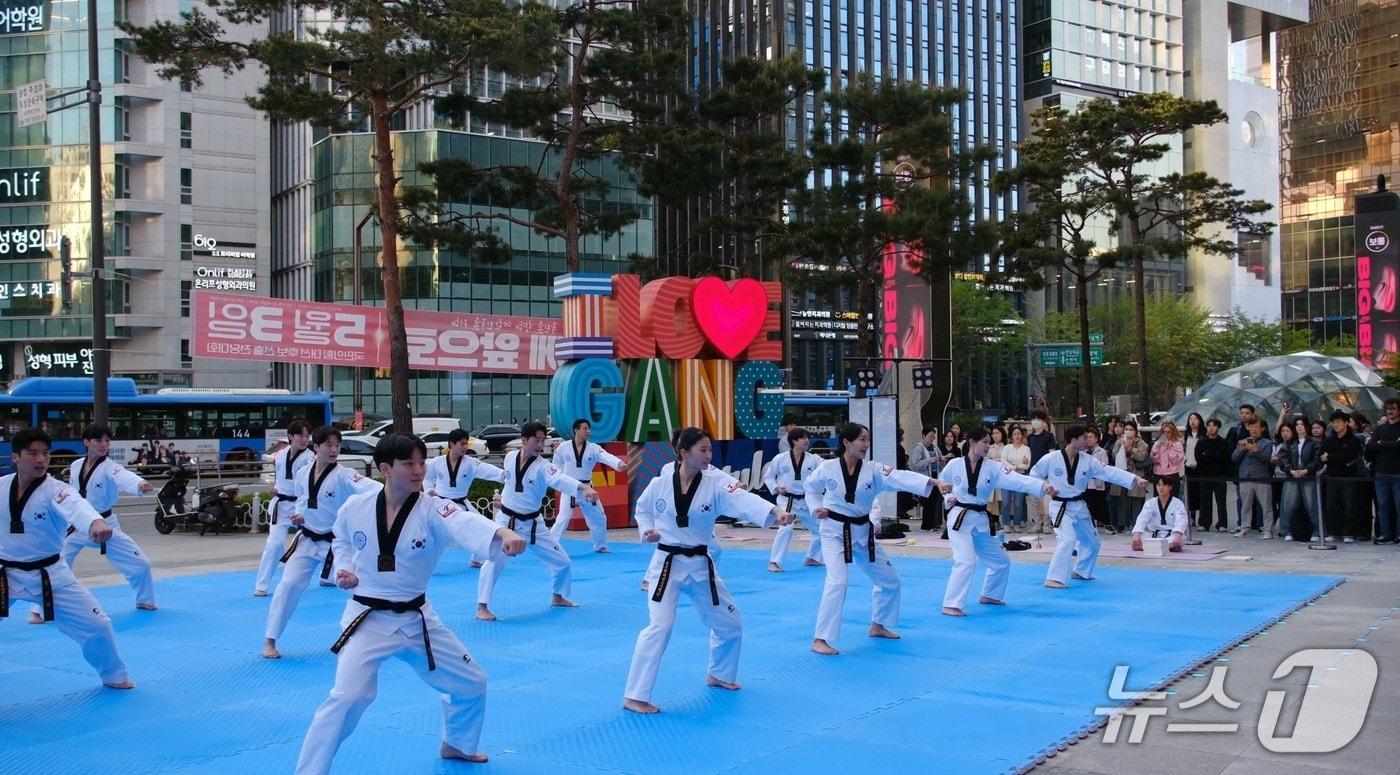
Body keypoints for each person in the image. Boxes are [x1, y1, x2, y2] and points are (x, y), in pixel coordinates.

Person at [294, 434, 527, 774]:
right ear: (386, 469)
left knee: (472, 682)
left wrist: (502, 535)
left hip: (417, 618)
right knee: (347, 698)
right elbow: (341, 539)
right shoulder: (355, 507)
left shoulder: (433, 507)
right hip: (367, 618)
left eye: (421, 463)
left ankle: (457, 744)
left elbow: (464, 522)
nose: (419, 471)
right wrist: (344, 567)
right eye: (409, 464)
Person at [621, 427, 795, 714]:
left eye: (710, 450)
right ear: (683, 453)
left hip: (701, 565)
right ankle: (635, 695)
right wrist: (647, 530)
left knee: (730, 623)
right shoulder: (659, 483)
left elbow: (743, 499)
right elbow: (642, 509)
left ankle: (720, 674)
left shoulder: (715, 482)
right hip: (666, 565)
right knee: (659, 626)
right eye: (702, 450)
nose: (708, 455)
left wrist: (775, 512)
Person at [0, 428, 132, 688]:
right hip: (5, 573)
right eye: (33, 453)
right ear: (16, 457)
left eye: (46, 453)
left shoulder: (57, 490)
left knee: (98, 625)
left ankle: (114, 676)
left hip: (50, 574)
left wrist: (94, 522)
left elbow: (78, 506)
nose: (41, 460)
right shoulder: (1, 487)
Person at [805, 422, 947, 655]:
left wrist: (933, 482)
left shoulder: (873, 470)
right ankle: (821, 638)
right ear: (846, 442)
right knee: (838, 581)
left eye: (867, 439)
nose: (866, 444)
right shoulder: (827, 468)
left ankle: (878, 625)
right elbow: (810, 489)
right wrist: (815, 508)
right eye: (861, 439)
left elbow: (900, 477)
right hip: (834, 532)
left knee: (890, 580)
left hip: (862, 533)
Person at [264, 426, 382, 660]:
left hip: (336, 544)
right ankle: (270, 640)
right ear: (315, 447)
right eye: (328, 445)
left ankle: (373, 639)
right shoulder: (303, 472)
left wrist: (397, 492)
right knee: (287, 586)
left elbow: (373, 488)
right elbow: (302, 500)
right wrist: (299, 516)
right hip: (306, 539)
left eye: (337, 446)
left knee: (361, 587)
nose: (334, 450)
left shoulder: (345, 475)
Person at [27, 424, 157, 623]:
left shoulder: (110, 467)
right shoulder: (76, 465)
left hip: (106, 524)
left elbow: (124, 476)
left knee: (141, 563)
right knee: (56, 563)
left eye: (107, 440)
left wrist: (139, 484)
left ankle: (145, 600)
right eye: (99, 440)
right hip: (78, 524)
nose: (104, 445)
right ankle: (40, 610)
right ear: (86, 442)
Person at [476, 422, 597, 621]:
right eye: (537, 440)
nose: (541, 445)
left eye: (543, 441)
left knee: (563, 562)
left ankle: (558, 596)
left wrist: (583, 489)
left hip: (534, 524)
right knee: (493, 561)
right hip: (507, 523)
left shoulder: (544, 467)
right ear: (524, 440)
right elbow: (509, 482)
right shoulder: (509, 457)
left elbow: (560, 480)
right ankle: (482, 606)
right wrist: (503, 499)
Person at [938, 427, 1054, 617]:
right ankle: (951, 604)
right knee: (966, 561)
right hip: (959, 518)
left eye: (989, 442)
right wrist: (948, 496)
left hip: (981, 519)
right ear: (972, 443)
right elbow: (943, 482)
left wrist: (1042, 486)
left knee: (1000, 562)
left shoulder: (994, 467)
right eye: (985, 442)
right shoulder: (954, 465)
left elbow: (1017, 480)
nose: (988, 446)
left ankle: (990, 595)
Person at [1032, 425, 1147, 589]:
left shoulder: (1088, 460)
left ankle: (1081, 570)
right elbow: (1034, 475)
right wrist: (1045, 486)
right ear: (1074, 439)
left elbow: (1110, 472)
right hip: (1060, 506)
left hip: (1079, 505)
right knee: (1068, 539)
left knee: (1092, 542)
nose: (1087, 441)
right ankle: (1054, 578)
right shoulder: (1051, 458)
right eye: (1084, 438)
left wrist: (1135, 478)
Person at [425, 428, 507, 568]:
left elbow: (488, 470)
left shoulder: (470, 463)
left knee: (482, 527)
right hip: (440, 504)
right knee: (433, 535)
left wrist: (506, 475)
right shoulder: (436, 462)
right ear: (452, 444)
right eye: (462, 444)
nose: (465, 447)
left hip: (462, 503)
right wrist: (429, 490)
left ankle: (478, 559)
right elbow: (427, 478)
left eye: (466, 444)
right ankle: (423, 563)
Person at [254, 421, 314, 597]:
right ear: (291, 437)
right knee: (273, 544)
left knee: (317, 542)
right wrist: (275, 488)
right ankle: (262, 585)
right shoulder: (280, 455)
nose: (304, 439)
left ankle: (329, 575)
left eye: (306, 436)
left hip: (300, 506)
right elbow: (280, 480)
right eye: (301, 436)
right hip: (280, 505)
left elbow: (309, 484)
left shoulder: (310, 458)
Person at [549, 419, 626, 553]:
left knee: (599, 517)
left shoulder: (593, 448)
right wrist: (560, 481)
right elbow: (556, 466)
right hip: (570, 487)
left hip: (587, 489)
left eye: (589, 429)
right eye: (585, 428)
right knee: (562, 519)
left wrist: (619, 464)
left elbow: (606, 457)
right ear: (576, 430)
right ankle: (550, 547)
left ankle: (600, 545)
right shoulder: (563, 448)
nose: (588, 431)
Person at [764, 427, 823, 572]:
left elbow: (829, 468)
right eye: (803, 438)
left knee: (822, 528)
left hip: (806, 499)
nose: (806, 440)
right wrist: (776, 487)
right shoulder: (780, 459)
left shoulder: (814, 459)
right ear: (794, 441)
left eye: (807, 437)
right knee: (786, 528)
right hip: (787, 499)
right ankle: (774, 562)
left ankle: (813, 557)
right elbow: (768, 477)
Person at [1319, 410, 1362, 543]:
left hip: (1348, 476)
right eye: (1333, 422)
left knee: (1349, 505)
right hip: (1331, 476)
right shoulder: (1329, 439)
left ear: (1346, 423)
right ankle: (1333, 531)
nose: (1335, 425)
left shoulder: (1353, 440)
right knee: (1332, 505)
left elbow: (1349, 456)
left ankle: (1349, 532)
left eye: (1338, 422)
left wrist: (1330, 457)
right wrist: (1333, 458)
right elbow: (1321, 456)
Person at [1274, 421, 1319, 542]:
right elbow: (1282, 458)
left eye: (1302, 424)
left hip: (1308, 477)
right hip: (1292, 476)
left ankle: (1316, 530)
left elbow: (1316, 459)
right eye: (1297, 425)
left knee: (1312, 505)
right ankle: (1287, 530)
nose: (1299, 426)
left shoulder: (1314, 442)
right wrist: (1290, 470)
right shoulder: (1290, 443)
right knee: (1288, 504)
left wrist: (1307, 470)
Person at [1232, 418, 1275, 538]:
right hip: (1245, 477)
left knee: (1266, 505)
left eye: (1256, 427)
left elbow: (1267, 458)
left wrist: (1255, 450)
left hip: (1262, 477)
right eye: (1251, 427)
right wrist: (1243, 449)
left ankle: (1268, 530)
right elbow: (1234, 458)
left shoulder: (1268, 443)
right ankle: (1244, 527)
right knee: (1245, 505)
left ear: (1262, 428)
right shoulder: (1242, 442)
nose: (1253, 430)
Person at [1365, 398, 1400, 544]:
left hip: (1398, 472)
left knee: (1399, 505)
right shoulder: (1380, 429)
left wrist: (1382, 444)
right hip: (1381, 472)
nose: (1390, 411)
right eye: (1387, 409)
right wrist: (1393, 444)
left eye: (1393, 408)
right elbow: (1371, 446)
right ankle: (1385, 534)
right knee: (1383, 505)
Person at [1108, 423, 1149, 534]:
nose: (1128, 431)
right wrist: (1124, 449)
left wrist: (1131, 450)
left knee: (1136, 500)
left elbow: (1142, 456)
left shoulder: (1140, 442)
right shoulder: (1120, 441)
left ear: (1135, 431)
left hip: (1136, 473)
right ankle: (1122, 523)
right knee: (1122, 499)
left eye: (1130, 429)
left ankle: (1136, 524)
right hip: (1122, 473)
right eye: (1126, 429)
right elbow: (1114, 455)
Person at [1130, 476, 1189, 553]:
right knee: (1140, 536)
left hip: (1171, 535)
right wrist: (1136, 534)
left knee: (1181, 538)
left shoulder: (1178, 503)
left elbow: (1181, 520)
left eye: (1164, 485)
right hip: (1153, 535)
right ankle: (1164, 547)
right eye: (1159, 485)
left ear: (1170, 487)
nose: (1161, 488)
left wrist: (1178, 535)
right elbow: (1142, 519)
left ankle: (1149, 547)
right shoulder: (1150, 503)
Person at [1024, 410, 1059, 533]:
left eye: (1038, 419)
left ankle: (1047, 524)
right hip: (1033, 472)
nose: (1035, 421)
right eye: (1033, 419)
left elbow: (1052, 454)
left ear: (1043, 421)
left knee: (1046, 500)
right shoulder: (1030, 437)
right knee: (1034, 500)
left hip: (1046, 472)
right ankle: (1037, 523)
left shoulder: (1049, 436)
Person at [910, 426, 943, 532]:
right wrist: (930, 460)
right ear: (923, 436)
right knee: (927, 502)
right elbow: (915, 464)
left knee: (933, 502)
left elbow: (940, 460)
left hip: (935, 478)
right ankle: (927, 524)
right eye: (930, 436)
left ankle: (932, 523)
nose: (932, 439)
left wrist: (942, 459)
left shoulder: (935, 448)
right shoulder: (918, 448)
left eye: (933, 437)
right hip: (925, 479)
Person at [1000, 426, 1032, 532]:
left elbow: (1026, 466)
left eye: (1019, 434)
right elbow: (1003, 461)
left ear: (1022, 436)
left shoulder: (1026, 449)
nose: (1017, 436)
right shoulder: (1006, 448)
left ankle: (1017, 524)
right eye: (1015, 434)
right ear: (1011, 436)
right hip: (1006, 478)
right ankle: (1006, 524)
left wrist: (1013, 466)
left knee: (1019, 503)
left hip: (1020, 477)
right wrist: (1017, 466)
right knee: (1005, 502)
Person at [1082, 428, 1112, 531]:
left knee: (1100, 503)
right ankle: (1090, 524)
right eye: (1087, 438)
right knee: (1088, 504)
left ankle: (1106, 523)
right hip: (1086, 483)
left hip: (1097, 482)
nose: (1089, 440)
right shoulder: (1083, 452)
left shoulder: (1101, 451)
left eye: (1091, 437)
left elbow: (1104, 466)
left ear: (1097, 439)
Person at [1182, 413, 1206, 526]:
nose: (1193, 421)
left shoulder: (1204, 435)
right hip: (1188, 467)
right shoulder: (1185, 435)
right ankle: (1191, 517)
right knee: (1190, 493)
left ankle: (1203, 518)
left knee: (1201, 493)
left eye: (1195, 419)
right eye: (1191, 419)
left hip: (1201, 467)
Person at [1150, 421, 1185, 496]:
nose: (1165, 434)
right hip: (1158, 474)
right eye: (1164, 432)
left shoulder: (1178, 444)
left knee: (1172, 499)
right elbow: (1154, 460)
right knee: (1158, 499)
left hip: (1172, 474)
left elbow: (1176, 460)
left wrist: (1169, 448)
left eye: (1168, 432)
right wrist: (1156, 447)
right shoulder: (1157, 443)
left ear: (1173, 432)